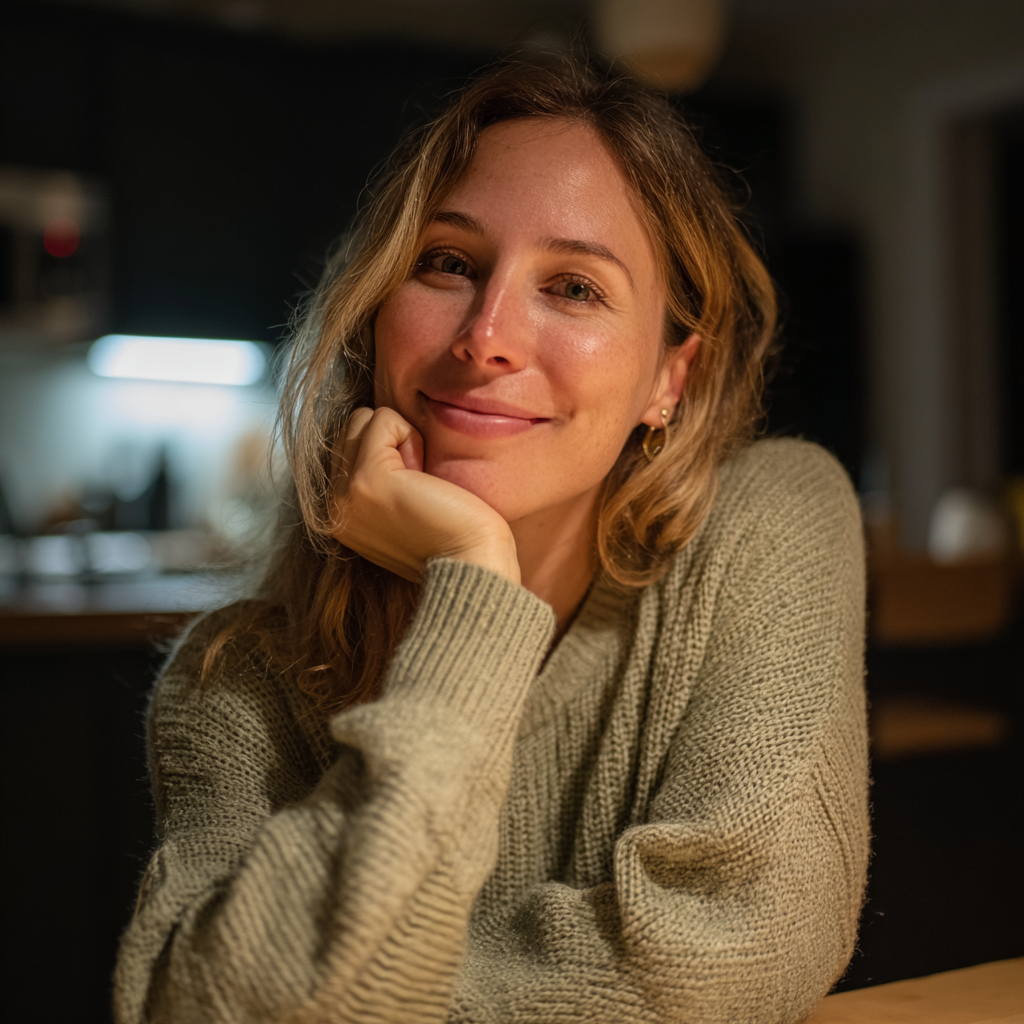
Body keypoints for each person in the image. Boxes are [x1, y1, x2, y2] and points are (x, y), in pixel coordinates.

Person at [114, 53, 869, 1024]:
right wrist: (474, 582)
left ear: (667, 381)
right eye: (449, 264)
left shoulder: (767, 521)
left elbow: (739, 945)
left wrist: (374, 995)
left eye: (575, 288)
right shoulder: (235, 682)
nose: (485, 337)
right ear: (377, 308)